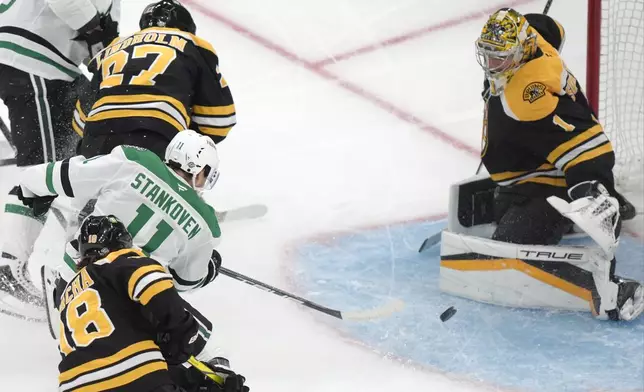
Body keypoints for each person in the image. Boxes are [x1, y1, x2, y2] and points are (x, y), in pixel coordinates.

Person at [474, 8, 642, 320]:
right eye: (488, 55)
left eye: (500, 58)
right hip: (531, 169)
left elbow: (586, 141)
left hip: (547, 185)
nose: (492, 65)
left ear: (522, 52)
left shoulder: (527, 99)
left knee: (510, 254)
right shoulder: (535, 37)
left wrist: (590, 188)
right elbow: (552, 27)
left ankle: (605, 290)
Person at [18, 130, 223, 329]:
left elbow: (69, 174)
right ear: (201, 169)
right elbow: (184, 281)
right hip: (133, 302)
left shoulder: (135, 161)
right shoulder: (206, 224)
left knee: (86, 245)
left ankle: (61, 297)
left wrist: (32, 186)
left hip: (78, 280)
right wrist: (209, 268)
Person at [0, 0, 119, 309]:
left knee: (84, 145)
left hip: (50, 67)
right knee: (47, 174)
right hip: (30, 59)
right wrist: (95, 27)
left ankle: (102, 224)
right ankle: (7, 268)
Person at [58, 214, 249, 392]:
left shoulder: (69, 294)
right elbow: (155, 287)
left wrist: (193, 381)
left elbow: (101, 353)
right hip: (136, 378)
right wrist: (181, 332)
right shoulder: (121, 261)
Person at [75, 0, 236, 159]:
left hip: (97, 134)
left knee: (94, 182)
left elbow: (81, 119)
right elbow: (218, 122)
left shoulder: (112, 47)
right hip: (156, 134)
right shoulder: (194, 44)